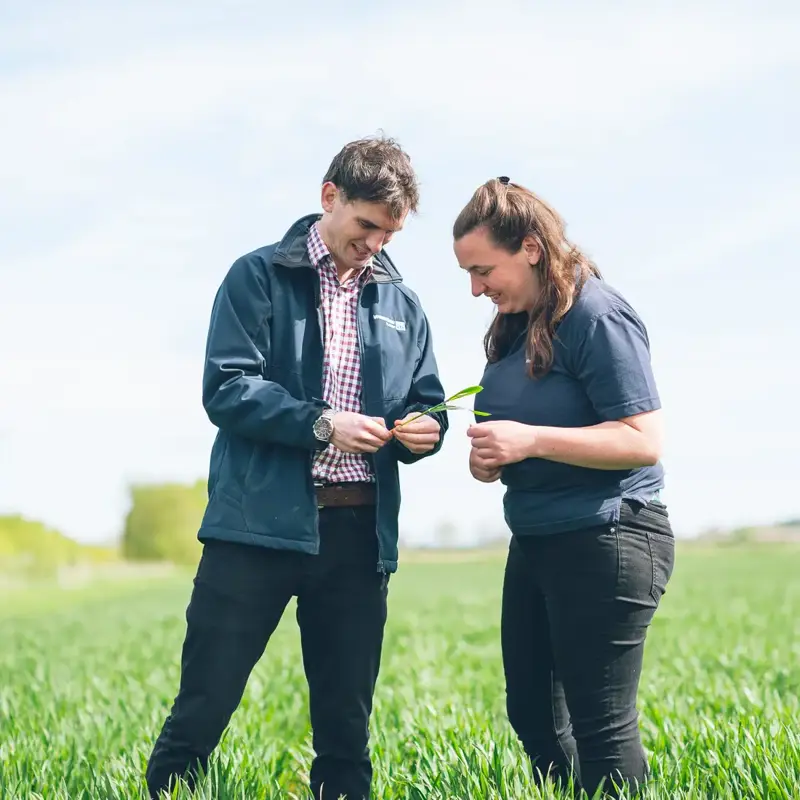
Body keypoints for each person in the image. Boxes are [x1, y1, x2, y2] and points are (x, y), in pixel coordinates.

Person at [144, 135, 448, 800]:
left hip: (358, 538)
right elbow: (227, 388)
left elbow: (427, 400)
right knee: (203, 706)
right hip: (255, 528)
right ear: (329, 196)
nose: (375, 244)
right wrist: (323, 423)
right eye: (366, 225)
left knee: (346, 729)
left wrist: (427, 430)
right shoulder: (255, 277)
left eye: (389, 233)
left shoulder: (402, 305)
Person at [453, 177, 675, 798]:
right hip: (537, 538)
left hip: (609, 534)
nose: (476, 289)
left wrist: (530, 440)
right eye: (467, 275)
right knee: (532, 716)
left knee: (601, 729)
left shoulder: (597, 315)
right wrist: (492, 459)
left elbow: (642, 439)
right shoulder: (515, 325)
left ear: (530, 247)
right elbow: (520, 432)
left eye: (482, 270)